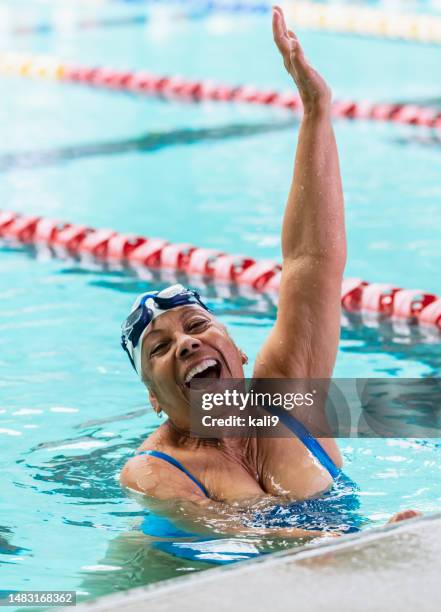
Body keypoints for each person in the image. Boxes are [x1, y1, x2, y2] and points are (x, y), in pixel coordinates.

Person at [119, 6, 420, 538]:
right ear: (152, 399)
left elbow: (313, 263)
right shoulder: (152, 472)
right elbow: (241, 536)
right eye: (159, 349)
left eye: (195, 326)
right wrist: (367, 542)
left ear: (237, 351)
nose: (186, 345)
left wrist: (316, 111)